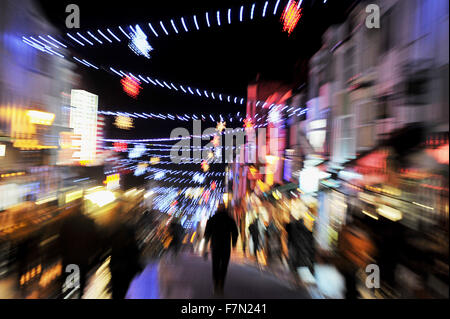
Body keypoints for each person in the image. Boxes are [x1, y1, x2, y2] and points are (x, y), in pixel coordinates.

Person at [58, 203, 101, 298]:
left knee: (69, 283)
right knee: (81, 280)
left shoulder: (67, 222)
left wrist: (63, 253)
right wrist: (92, 254)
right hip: (82, 258)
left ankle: (69, 294)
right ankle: (79, 295)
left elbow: (61, 240)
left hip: (69, 258)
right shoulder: (89, 222)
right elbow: (95, 240)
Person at [204, 205, 238, 295]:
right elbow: (235, 232)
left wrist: (205, 247)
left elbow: (207, 233)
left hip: (215, 246)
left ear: (217, 209)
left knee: (215, 265)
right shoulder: (229, 219)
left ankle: (215, 285)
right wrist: (234, 243)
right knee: (224, 266)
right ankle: (221, 285)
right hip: (226, 246)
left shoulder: (212, 219)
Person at [109, 223, 142, 299]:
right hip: (126, 273)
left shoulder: (116, 240)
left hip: (116, 271)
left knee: (116, 291)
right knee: (124, 291)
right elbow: (135, 258)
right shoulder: (132, 243)